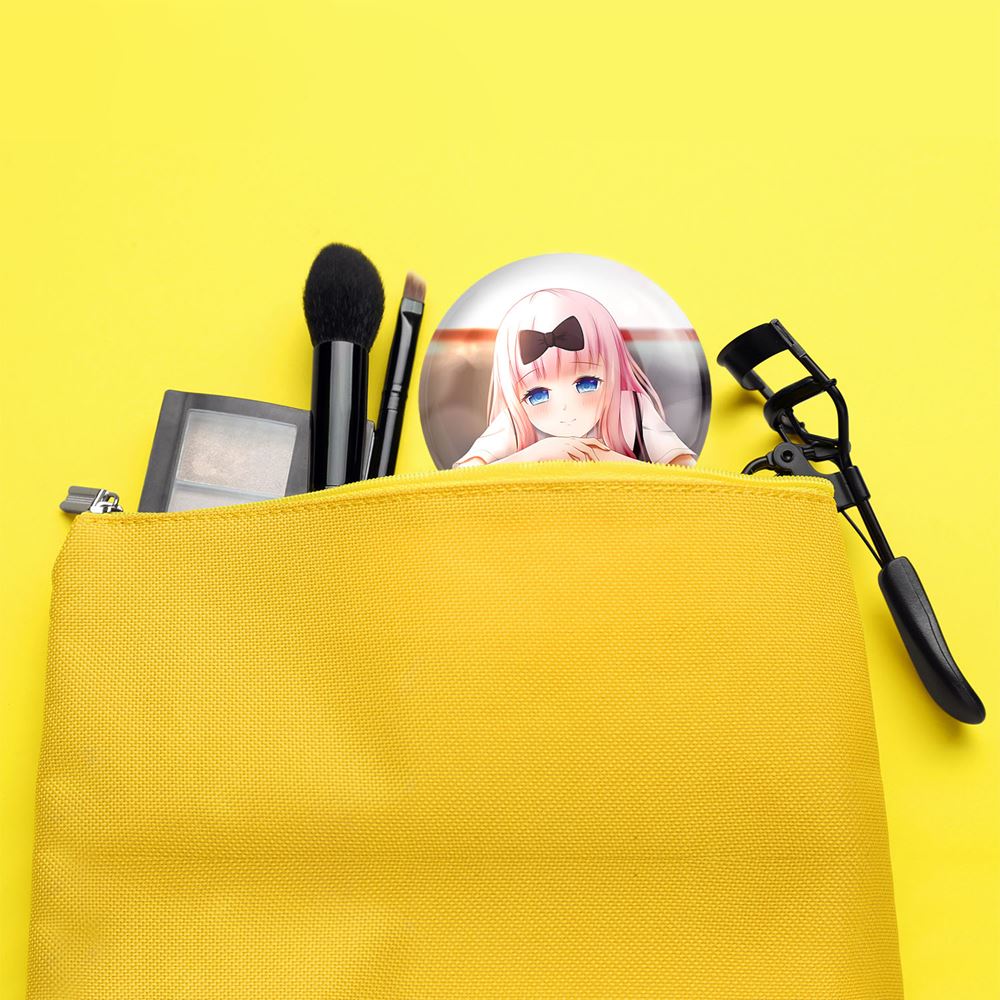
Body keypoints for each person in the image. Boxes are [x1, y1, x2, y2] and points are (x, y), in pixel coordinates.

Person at [454, 288, 696, 467]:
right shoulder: (515, 422)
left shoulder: (632, 408)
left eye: (587, 383)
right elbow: (466, 476)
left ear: (613, 368)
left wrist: (608, 459)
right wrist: (535, 454)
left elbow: (685, 470)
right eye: (537, 395)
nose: (566, 408)